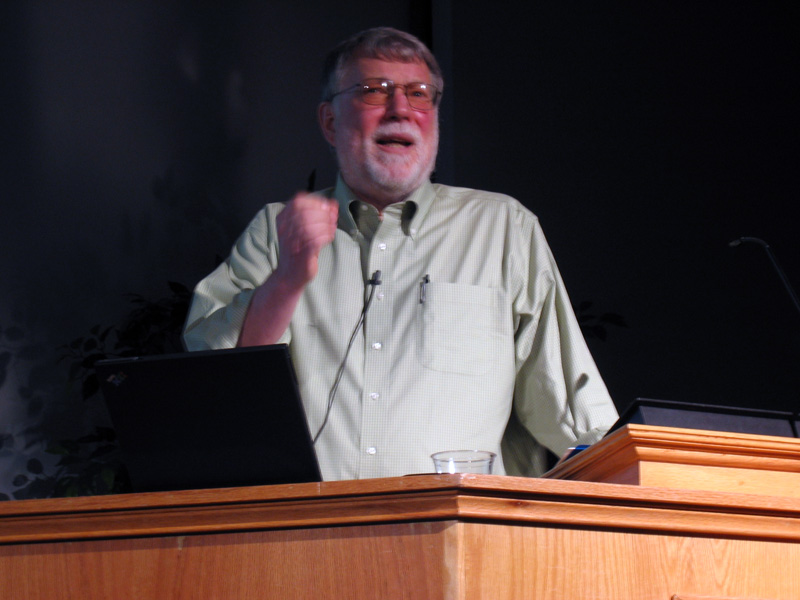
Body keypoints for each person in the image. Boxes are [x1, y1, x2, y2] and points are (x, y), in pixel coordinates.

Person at [183, 27, 618, 480]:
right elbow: (220, 395)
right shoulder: (277, 233)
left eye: (419, 94)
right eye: (374, 91)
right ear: (330, 122)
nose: (401, 110)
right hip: (309, 539)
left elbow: (573, 414)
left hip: (455, 536)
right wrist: (287, 280)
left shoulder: (503, 228)